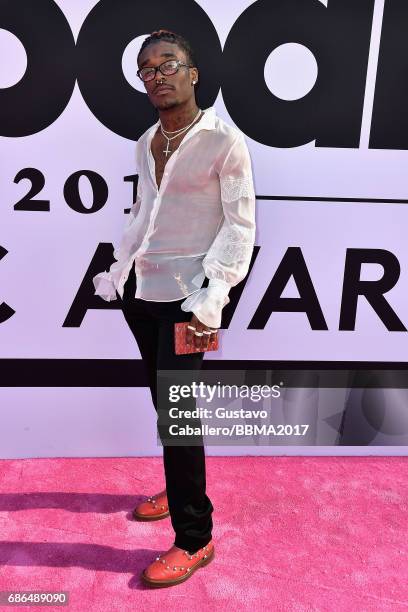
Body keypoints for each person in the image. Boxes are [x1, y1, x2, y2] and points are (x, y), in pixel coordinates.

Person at [93, 29, 256, 587]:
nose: (157, 74)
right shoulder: (145, 141)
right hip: (141, 292)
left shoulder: (225, 142)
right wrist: (121, 267)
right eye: (146, 69)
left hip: (192, 300)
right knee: (166, 402)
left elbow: (240, 228)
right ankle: (177, 481)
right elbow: (144, 213)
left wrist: (212, 300)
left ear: (193, 73)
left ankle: (196, 537)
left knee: (181, 415)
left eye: (168, 64)